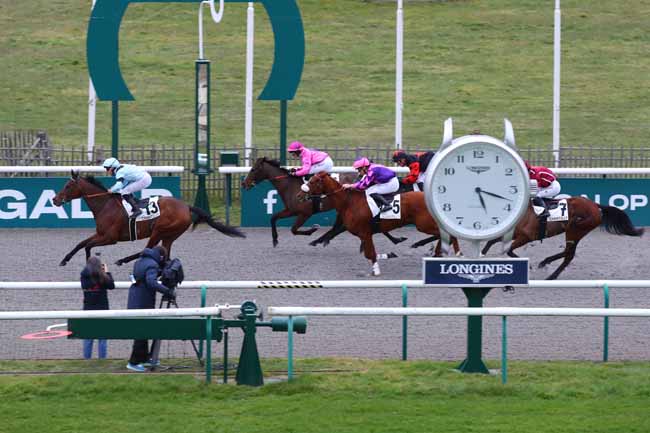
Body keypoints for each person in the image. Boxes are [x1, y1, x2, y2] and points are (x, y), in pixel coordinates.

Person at [126, 245, 175, 372]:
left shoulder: (139, 261)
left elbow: (144, 276)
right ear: (161, 256)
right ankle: (133, 362)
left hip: (135, 299)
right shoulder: (152, 264)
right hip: (143, 301)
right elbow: (151, 282)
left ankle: (145, 358)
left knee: (144, 330)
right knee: (142, 331)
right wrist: (167, 291)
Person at [80, 255, 115, 360]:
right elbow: (112, 286)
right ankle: (102, 359)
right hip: (103, 309)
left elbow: (84, 286)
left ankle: (87, 359)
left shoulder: (84, 275)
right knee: (102, 337)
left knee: (88, 337)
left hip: (88, 309)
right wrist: (107, 272)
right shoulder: (102, 276)